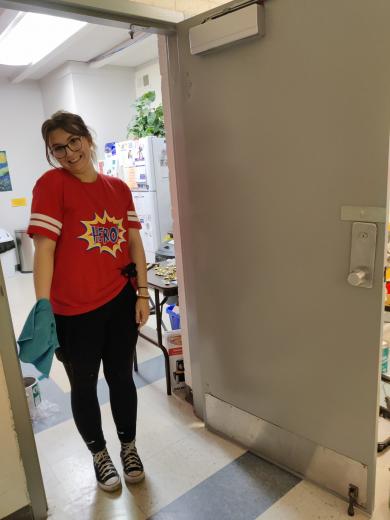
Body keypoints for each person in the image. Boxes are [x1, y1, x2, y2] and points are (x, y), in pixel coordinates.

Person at [27, 111, 150, 492]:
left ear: (87, 138)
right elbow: (43, 250)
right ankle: (99, 453)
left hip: (118, 302)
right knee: (83, 385)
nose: (67, 153)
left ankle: (128, 446)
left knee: (121, 380)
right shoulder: (52, 184)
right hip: (73, 312)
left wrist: (143, 292)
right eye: (57, 148)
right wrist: (42, 308)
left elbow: (133, 243)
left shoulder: (118, 188)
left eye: (73, 141)